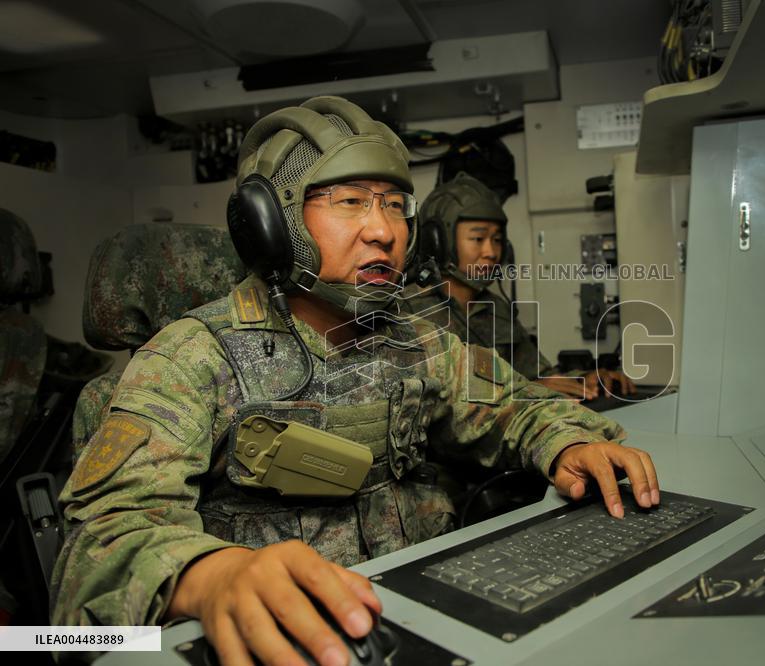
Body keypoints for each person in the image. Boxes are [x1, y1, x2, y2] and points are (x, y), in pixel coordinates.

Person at [51, 96, 660, 666]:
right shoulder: (192, 357)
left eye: (394, 204)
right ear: (271, 223)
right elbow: (101, 543)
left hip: (427, 620)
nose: (384, 231)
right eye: (350, 201)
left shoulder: (417, 338)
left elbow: (513, 406)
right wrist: (211, 578)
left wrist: (568, 443)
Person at [401, 173, 636, 400]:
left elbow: (539, 375)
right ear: (437, 242)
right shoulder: (406, 311)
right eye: (478, 239)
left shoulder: (497, 309)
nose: (491, 253)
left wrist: (584, 379)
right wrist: (525, 390)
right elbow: (428, 402)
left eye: (497, 240)